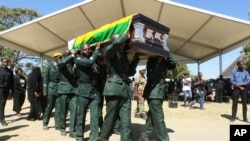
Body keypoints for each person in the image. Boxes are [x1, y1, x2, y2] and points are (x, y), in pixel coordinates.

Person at [100, 32, 140, 141]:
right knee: (110, 119)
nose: (123, 45)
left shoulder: (123, 57)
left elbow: (130, 72)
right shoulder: (108, 52)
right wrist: (126, 36)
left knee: (126, 121)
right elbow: (115, 45)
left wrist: (136, 59)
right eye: (121, 43)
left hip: (125, 90)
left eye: (123, 44)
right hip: (113, 88)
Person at [139, 54, 176, 141]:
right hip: (153, 92)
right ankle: (164, 139)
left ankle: (144, 136)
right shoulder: (152, 60)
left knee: (153, 116)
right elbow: (151, 75)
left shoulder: (165, 61)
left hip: (160, 92)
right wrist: (157, 62)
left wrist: (168, 53)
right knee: (159, 116)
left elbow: (173, 64)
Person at [74, 43, 101, 141]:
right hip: (83, 90)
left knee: (95, 116)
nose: (88, 51)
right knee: (81, 115)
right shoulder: (78, 59)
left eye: (89, 49)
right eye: (85, 49)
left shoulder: (93, 60)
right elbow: (88, 63)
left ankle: (93, 138)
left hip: (94, 90)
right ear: (81, 51)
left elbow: (97, 69)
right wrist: (97, 49)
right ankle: (79, 136)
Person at [57, 49, 77, 137]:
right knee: (63, 110)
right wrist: (71, 56)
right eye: (67, 54)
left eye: (69, 54)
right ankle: (62, 128)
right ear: (64, 55)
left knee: (74, 109)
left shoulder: (73, 63)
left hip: (73, 89)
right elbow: (62, 63)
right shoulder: (60, 61)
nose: (69, 55)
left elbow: (73, 74)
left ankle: (72, 130)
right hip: (63, 89)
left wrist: (75, 67)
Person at [43, 53, 62, 130]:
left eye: (60, 57)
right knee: (49, 107)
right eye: (58, 57)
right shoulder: (49, 66)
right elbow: (45, 79)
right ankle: (45, 123)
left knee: (58, 108)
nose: (59, 59)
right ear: (54, 58)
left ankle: (57, 124)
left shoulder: (61, 66)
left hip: (59, 88)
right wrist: (45, 90)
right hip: (51, 88)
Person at [0, 58, 14, 126]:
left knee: (3, 104)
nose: (6, 63)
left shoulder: (10, 71)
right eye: (5, 61)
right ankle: (2, 120)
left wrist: (12, 92)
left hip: (6, 90)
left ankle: (1, 118)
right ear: (2, 62)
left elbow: (12, 82)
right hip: (0, 89)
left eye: (7, 62)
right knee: (2, 103)